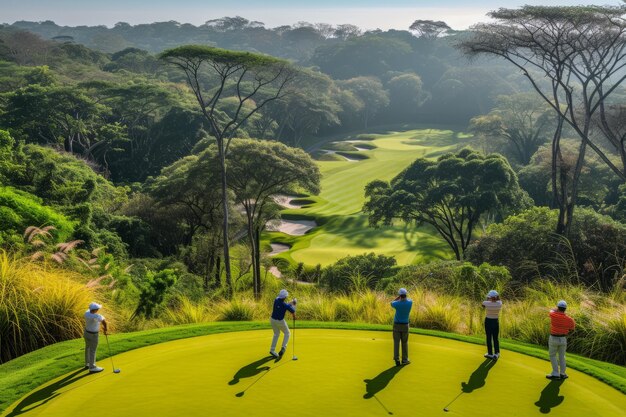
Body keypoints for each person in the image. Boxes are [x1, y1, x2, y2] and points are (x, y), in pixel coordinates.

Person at [546, 300, 576, 379]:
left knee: (552, 355)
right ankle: (563, 373)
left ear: (558, 307)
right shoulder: (570, 319)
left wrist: (556, 309)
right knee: (562, 356)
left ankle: (555, 373)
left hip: (553, 338)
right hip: (563, 339)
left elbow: (551, 310)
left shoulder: (553, 315)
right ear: (565, 309)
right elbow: (572, 328)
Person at [269, 289, 296, 358]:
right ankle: (283, 348)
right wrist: (294, 304)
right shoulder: (285, 305)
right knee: (287, 333)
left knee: (276, 334)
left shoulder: (276, 299)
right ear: (285, 297)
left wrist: (291, 303)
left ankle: (272, 350)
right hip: (280, 321)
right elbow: (293, 311)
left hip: (272, 320)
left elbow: (286, 305)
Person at [390, 288, 413, 366]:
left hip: (396, 325)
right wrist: (403, 296)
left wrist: (398, 297)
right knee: (404, 343)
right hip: (405, 325)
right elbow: (408, 299)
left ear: (400, 295)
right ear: (406, 294)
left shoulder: (397, 304)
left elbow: (391, 303)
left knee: (396, 343)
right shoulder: (410, 303)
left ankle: (397, 359)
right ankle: (405, 360)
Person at [84, 302, 108, 373]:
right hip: (93, 335)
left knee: (87, 347)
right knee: (93, 350)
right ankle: (92, 367)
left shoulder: (86, 313)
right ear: (95, 310)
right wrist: (105, 330)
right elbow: (104, 322)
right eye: (97, 309)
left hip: (86, 333)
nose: (98, 310)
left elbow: (89, 311)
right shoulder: (97, 316)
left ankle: (87, 363)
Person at [482, 290, 502, 359]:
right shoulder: (499, 303)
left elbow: (483, 305)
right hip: (495, 321)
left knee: (488, 337)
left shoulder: (486, 303)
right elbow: (499, 300)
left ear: (489, 297)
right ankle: (496, 353)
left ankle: (490, 353)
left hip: (488, 321)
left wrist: (489, 299)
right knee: (495, 338)